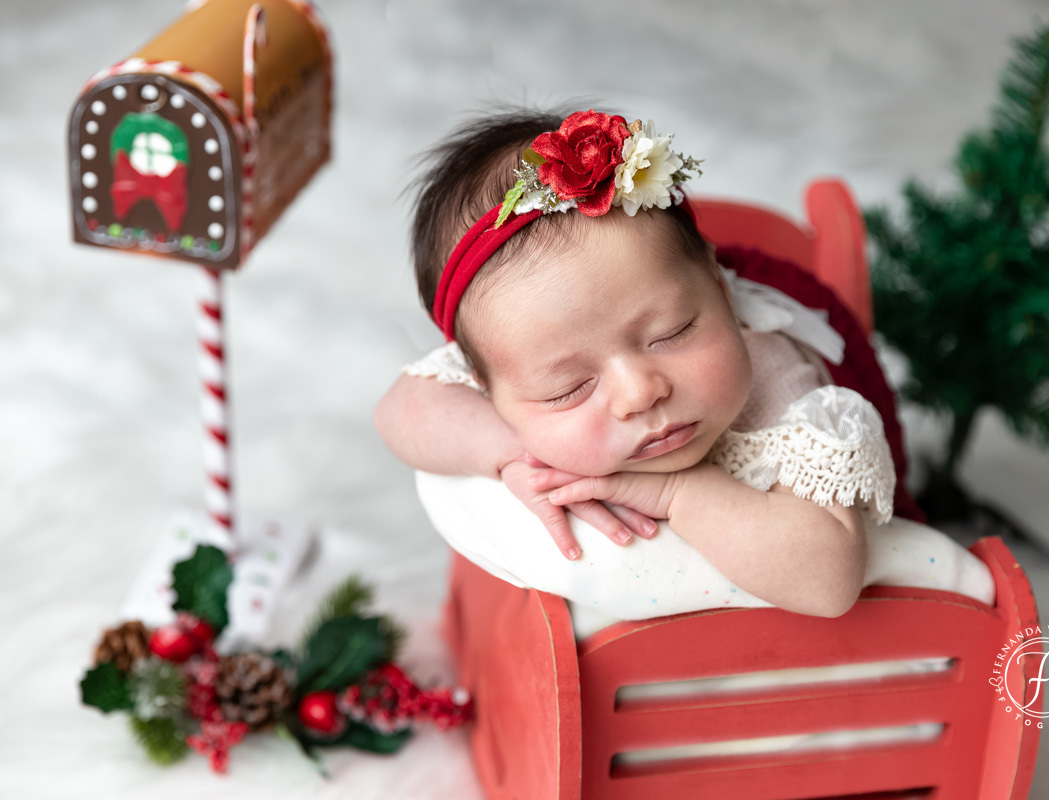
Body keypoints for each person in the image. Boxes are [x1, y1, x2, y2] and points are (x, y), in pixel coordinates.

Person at [375, 106, 993, 621]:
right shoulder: (520, 352)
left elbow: (828, 582)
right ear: (486, 386)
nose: (639, 393)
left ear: (721, 292)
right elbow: (398, 412)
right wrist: (517, 453)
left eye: (671, 333)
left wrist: (679, 493)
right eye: (569, 388)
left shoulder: (779, 377)